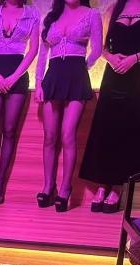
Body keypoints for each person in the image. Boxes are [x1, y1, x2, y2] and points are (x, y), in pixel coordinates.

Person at [78, 0, 140, 214]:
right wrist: (110, 57)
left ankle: (118, 187)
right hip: (113, 73)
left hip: (137, 73)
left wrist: (135, 58)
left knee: (128, 128)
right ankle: (102, 184)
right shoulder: (114, 7)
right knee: (106, 127)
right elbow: (100, 46)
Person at [35, 0, 102, 212]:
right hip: (53, 75)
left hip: (76, 75)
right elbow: (42, 54)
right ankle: (48, 186)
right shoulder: (51, 16)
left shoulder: (92, 14)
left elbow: (97, 49)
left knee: (68, 135)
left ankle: (65, 188)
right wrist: (38, 83)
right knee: (49, 136)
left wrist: (82, 69)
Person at [0, 0, 40, 207]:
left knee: (10, 131)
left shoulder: (32, 13)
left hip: (18, 73)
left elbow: (33, 50)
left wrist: (14, 77)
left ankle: (0, 182)